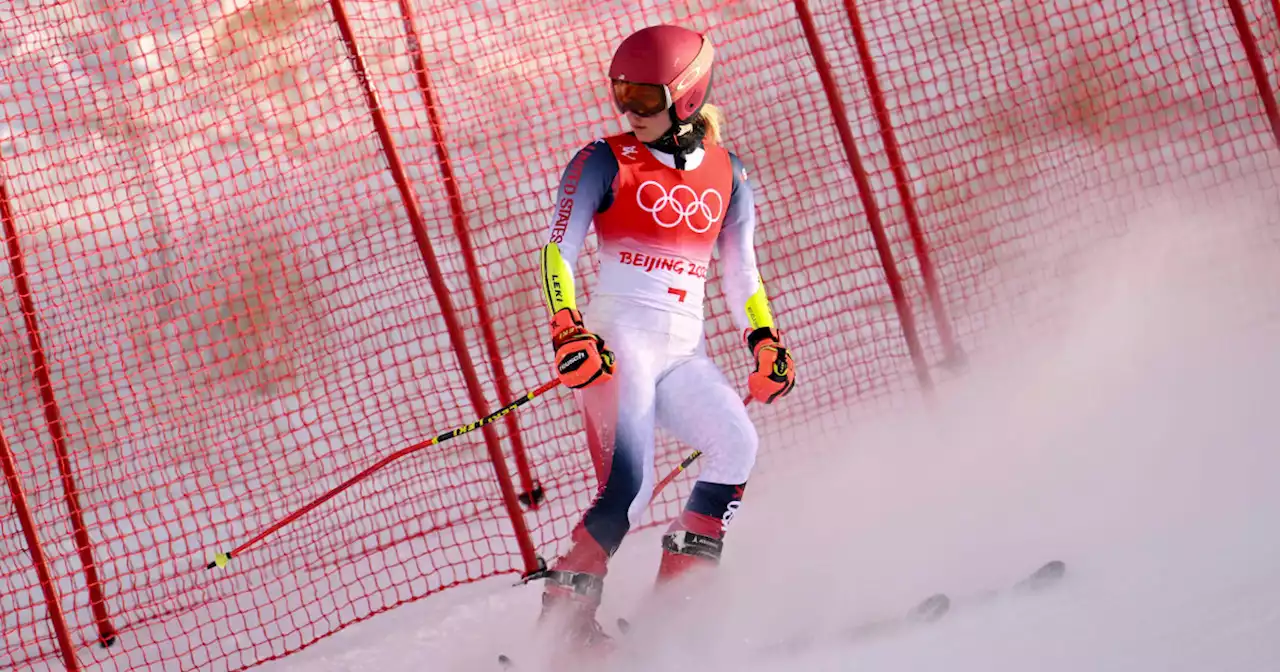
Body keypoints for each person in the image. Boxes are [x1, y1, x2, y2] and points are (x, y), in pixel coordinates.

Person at [534, 23, 796, 650]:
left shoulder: (730, 176)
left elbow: (742, 274)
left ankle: (680, 600)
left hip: (682, 353)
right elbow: (558, 252)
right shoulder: (602, 159)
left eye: (645, 99)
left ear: (685, 95)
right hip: (613, 345)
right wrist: (566, 326)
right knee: (630, 487)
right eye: (621, 94)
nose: (629, 110)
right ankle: (563, 632)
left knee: (736, 443)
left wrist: (764, 340)